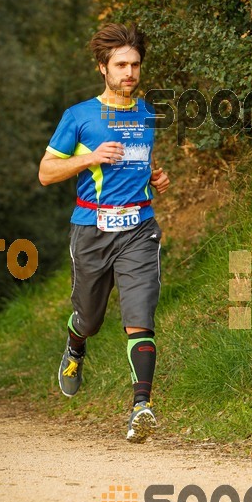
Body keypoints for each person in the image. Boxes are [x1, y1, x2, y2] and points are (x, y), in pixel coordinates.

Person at [38, 22, 170, 442]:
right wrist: (89, 158)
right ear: (103, 68)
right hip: (92, 229)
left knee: (140, 318)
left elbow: (138, 166)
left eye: (134, 64)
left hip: (139, 228)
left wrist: (155, 180)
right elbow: (45, 173)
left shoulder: (149, 113)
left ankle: (141, 408)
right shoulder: (78, 117)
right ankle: (76, 347)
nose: (129, 72)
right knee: (90, 319)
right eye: (120, 65)